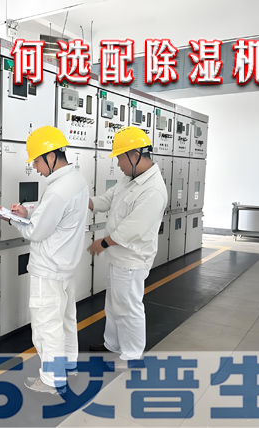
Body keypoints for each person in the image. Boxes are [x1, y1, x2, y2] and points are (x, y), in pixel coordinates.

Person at [3, 126, 89, 394]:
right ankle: (69, 364)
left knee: (46, 326)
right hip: (66, 266)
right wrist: (28, 214)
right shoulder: (77, 180)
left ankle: (52, 380)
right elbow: (56, 220)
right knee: (66, 318)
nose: (35, 168)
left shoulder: (57, 191)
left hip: (48, 269)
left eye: (37, 161)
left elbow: (36, 232)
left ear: (51, 156)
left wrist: (13, 220)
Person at [87, 126, 167, 365]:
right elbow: (106, 200)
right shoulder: (129, 179)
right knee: (114, 305)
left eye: (120, 157)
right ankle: (112, 345)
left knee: (129, 307)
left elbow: (132, 229)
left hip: (132, 259)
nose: (118, 164)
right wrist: (82, 201)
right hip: (118, 256)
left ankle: (132, 354)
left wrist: (102, 243)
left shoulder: (153, 190)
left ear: (134, 155)